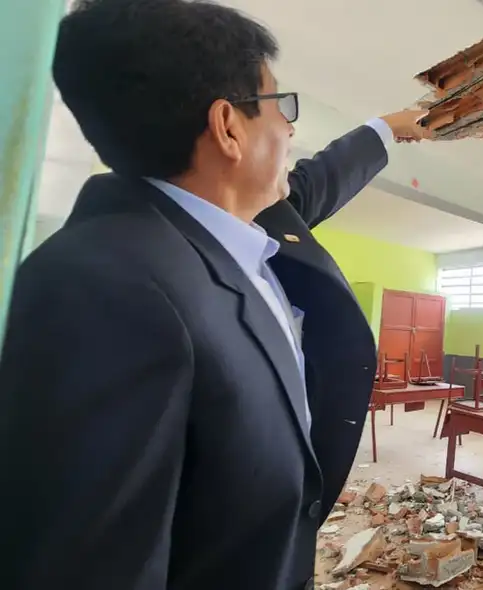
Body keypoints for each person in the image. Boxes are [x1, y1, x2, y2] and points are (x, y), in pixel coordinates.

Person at [0, 0, 430, 588]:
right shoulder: (104, 289)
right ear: (228, 127)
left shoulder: (221, 230)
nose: (291, 126)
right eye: (282, 105)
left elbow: (309, 188)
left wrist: (385, 130)